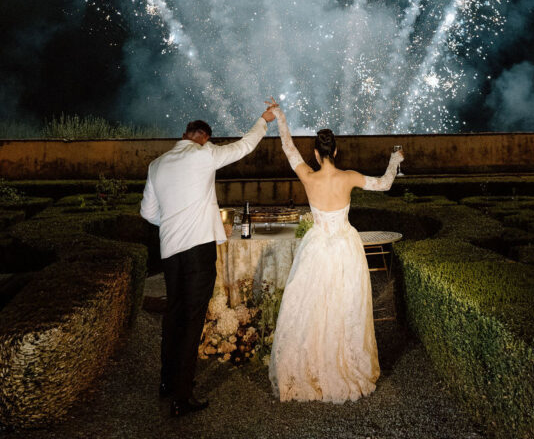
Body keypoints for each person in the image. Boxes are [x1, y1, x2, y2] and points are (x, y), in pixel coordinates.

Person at [140, 100, 278, 417]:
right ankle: (182, 396)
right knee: (191, 320)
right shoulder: (204, 155)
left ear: (186, 134)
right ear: (204, 137)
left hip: (170, 253)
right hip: (198, 251)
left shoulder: (157, 164)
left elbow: (148, 213)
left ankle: (166, 382)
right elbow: (245, 145)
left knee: (173, 315)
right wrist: (264, 119)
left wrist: (175, 222)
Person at [269, 106, 404, 403]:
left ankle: (311, 367)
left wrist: (280, 118)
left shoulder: (306, 175)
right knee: (346, 306)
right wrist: (395, 160)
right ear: (337, 151)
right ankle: (345, 364)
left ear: (316, 154)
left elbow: (288, 148)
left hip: (316, 247)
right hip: (345, 246)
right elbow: (384, 183)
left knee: (311, 306)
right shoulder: (349, 177)